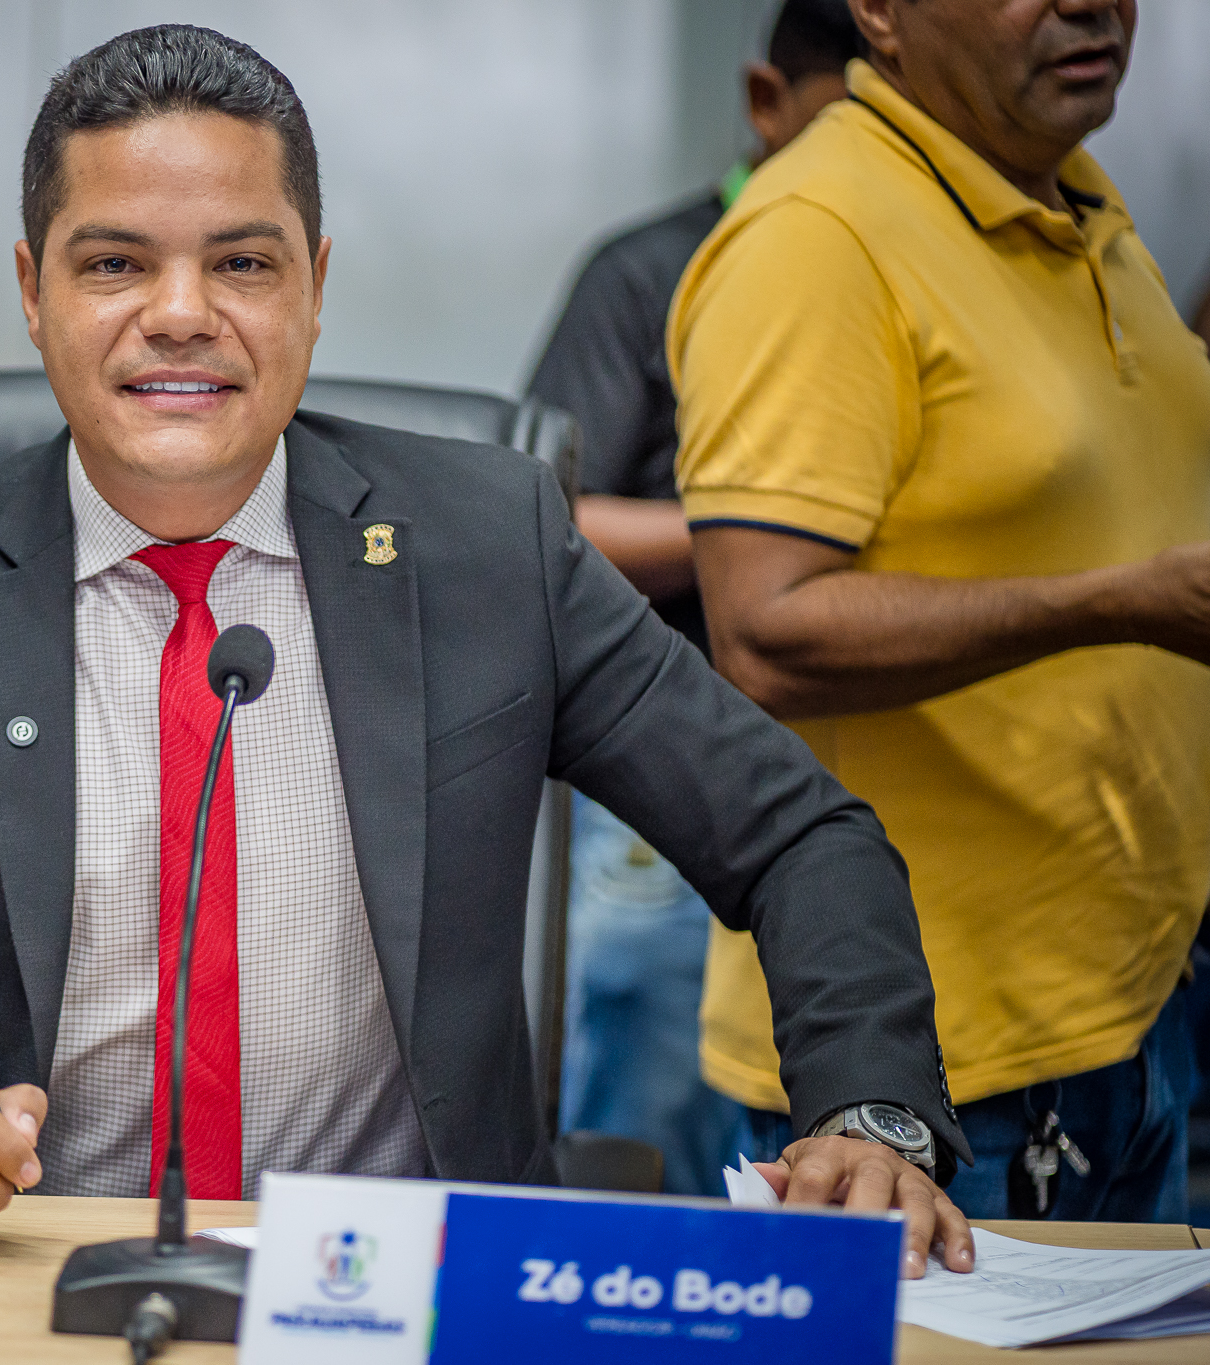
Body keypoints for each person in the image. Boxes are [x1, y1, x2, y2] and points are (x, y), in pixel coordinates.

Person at [0, 24, 976, 1277]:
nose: (179, 314)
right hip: (19, 1277)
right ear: (32, 291)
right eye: (114, 263)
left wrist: (870, 1113)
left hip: (410, 1282)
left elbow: (795, 834)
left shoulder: (490, 547)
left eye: (242, 263)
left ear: (314, 286)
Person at [670, 0, 1210, 1222]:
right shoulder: (817, 235)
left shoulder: (1077, 199)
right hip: (930, 1071)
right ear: (877, 12)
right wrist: (1120, 604)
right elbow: (763, 633)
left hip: (1125, 1010)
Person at [523, 0, 862, 1198]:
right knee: (645, 1086)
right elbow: (549, 520)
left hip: (875, 766)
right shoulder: (652, 271)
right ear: (768, 104)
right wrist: (760, 538)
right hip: (664, 757)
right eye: (858, 128)